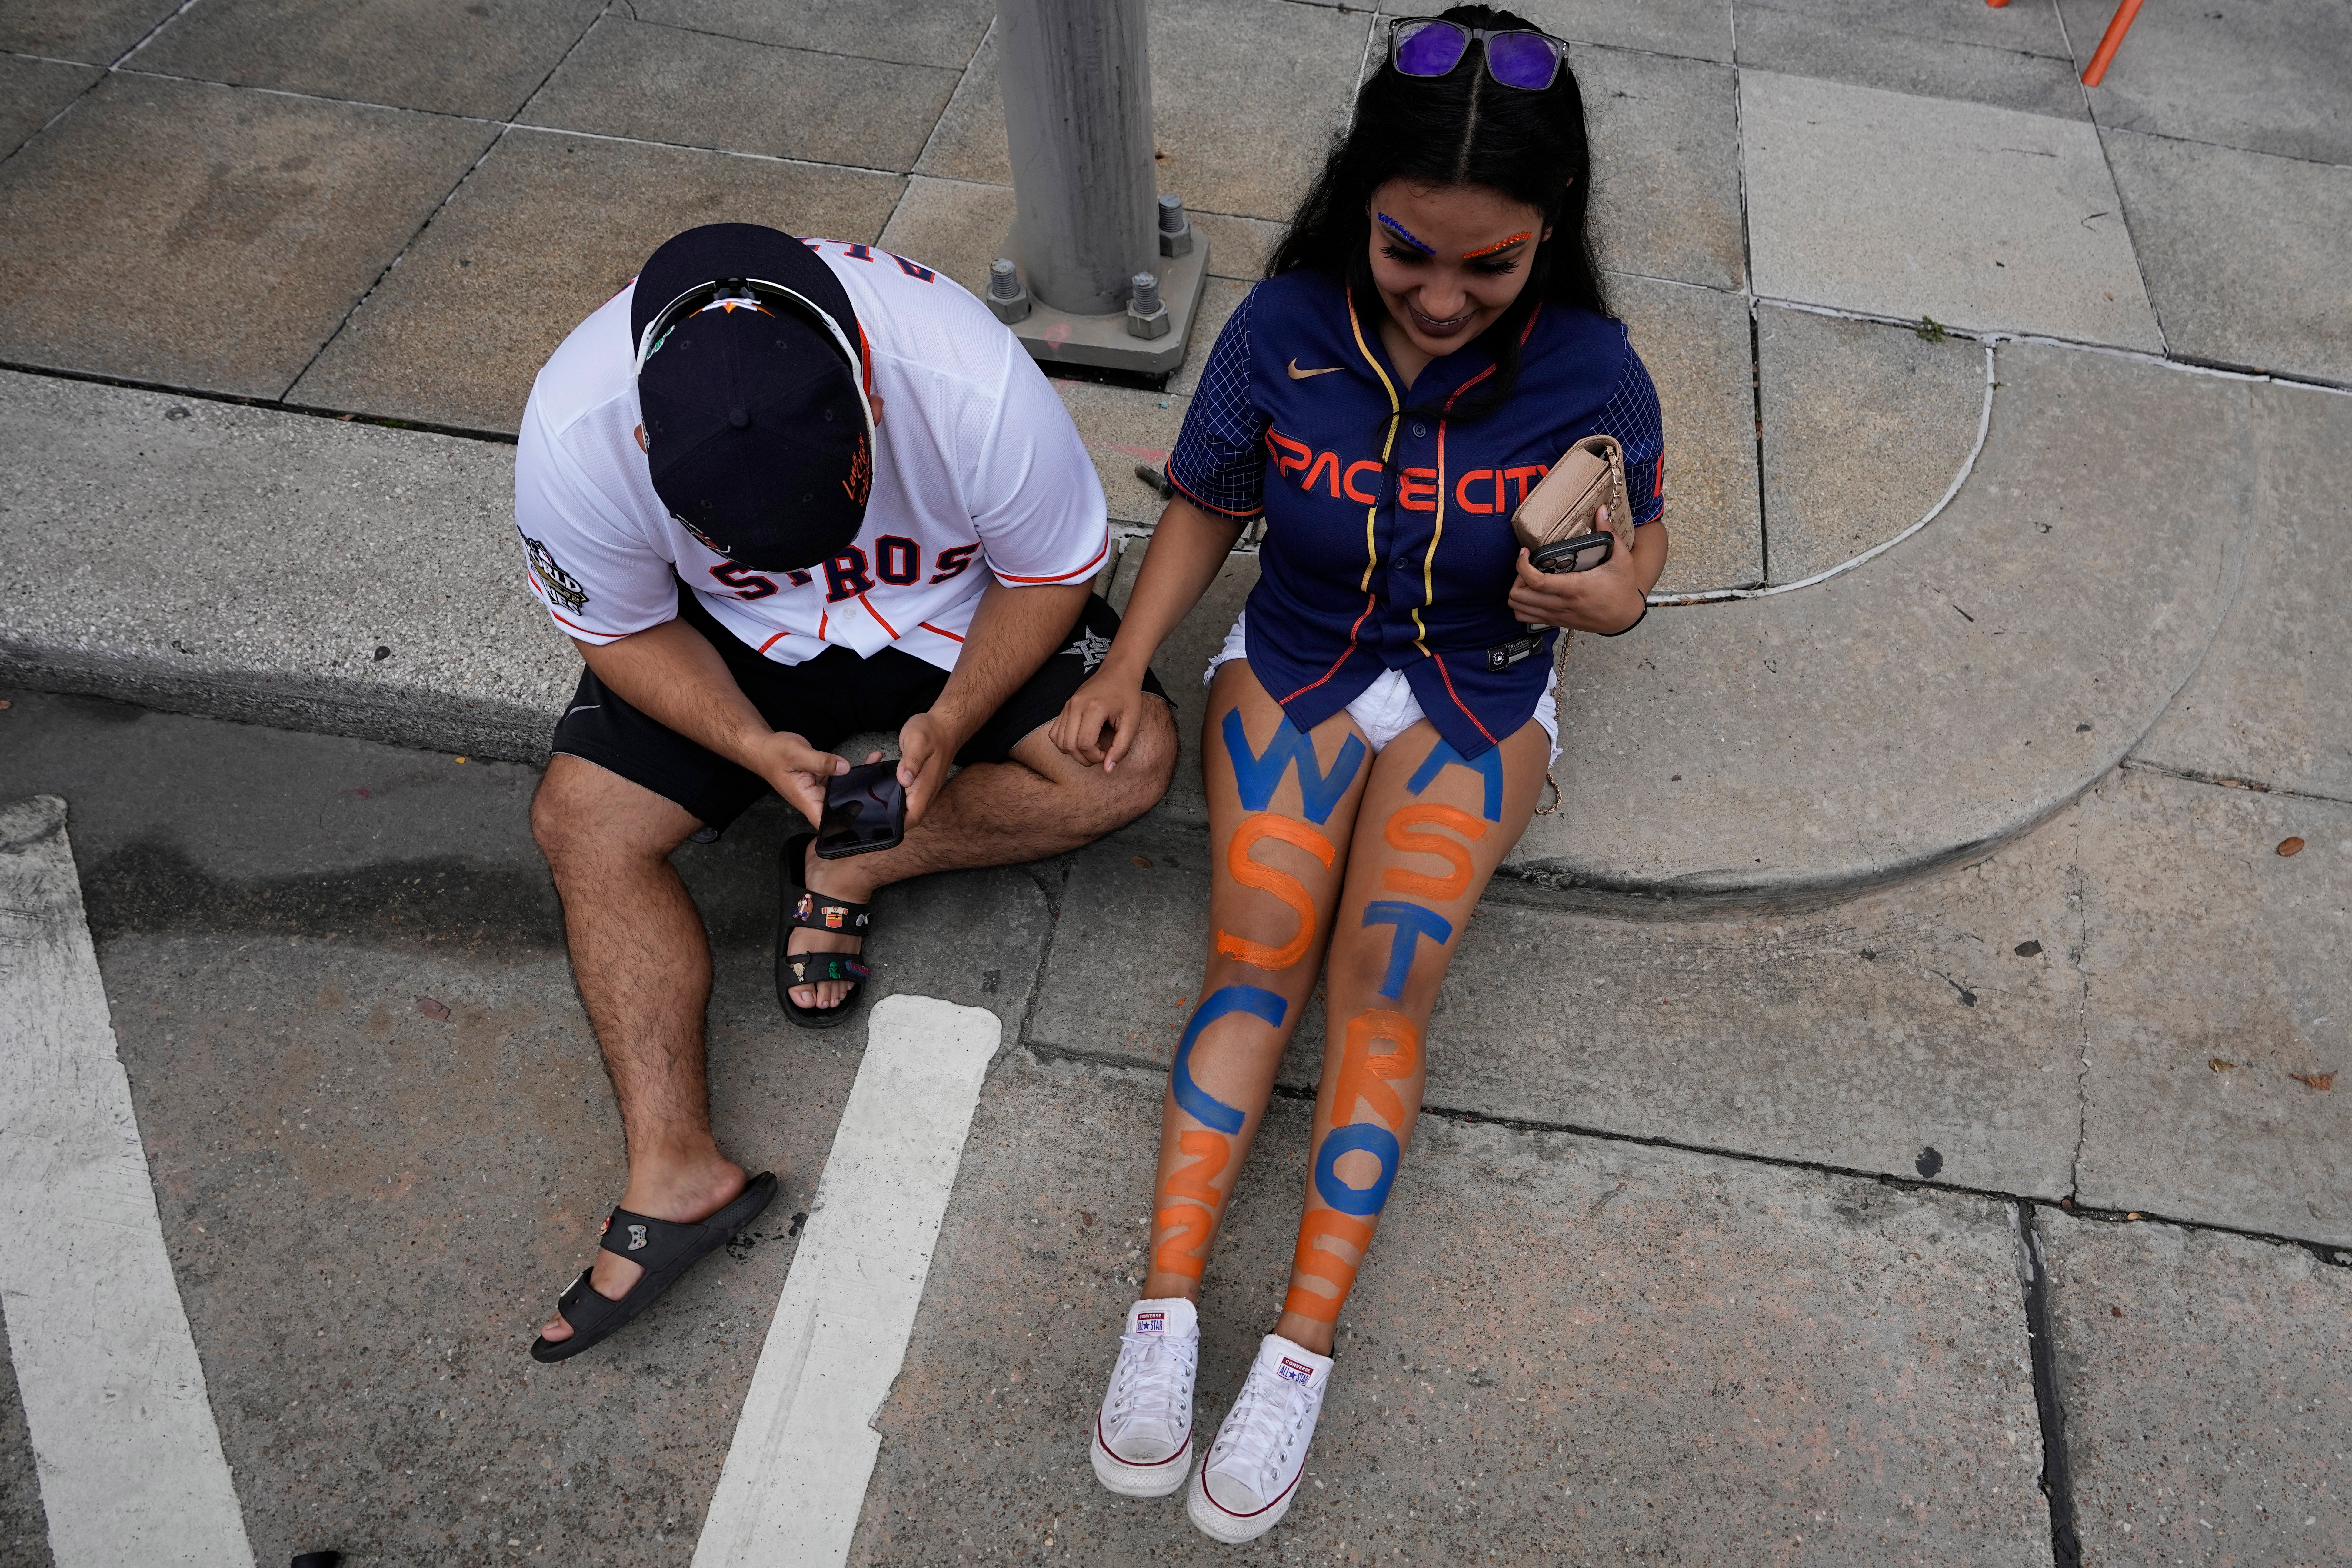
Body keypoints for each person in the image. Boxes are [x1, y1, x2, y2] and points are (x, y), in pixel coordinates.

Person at [1048, 9, 1670, 1541]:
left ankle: (1299, 1347)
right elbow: (1207, 497)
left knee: (1386, 979)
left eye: (1492, 264)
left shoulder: (1596, 368)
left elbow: (1640, 542)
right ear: (1359, 206)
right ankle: (1167, 1313)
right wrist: (1127, 664)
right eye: (1410, 253)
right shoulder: (1278, 328)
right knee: (1257, 946)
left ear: (1551, 234)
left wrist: (1615, 598)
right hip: (1304, 652)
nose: (1446, 297)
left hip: (1479, 685)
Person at [518, 223, 1177, 1362]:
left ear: (866, 391)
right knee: (582, 822)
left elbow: (1055, 568)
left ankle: (856, 857)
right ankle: (675, 1172)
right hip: (730, 648)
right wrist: (749, 741)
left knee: (1126, 766)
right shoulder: (575, 432)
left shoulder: (962, 374)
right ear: (645, 439)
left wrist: (951, 725)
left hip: (959, 610)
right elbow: (620, 626)